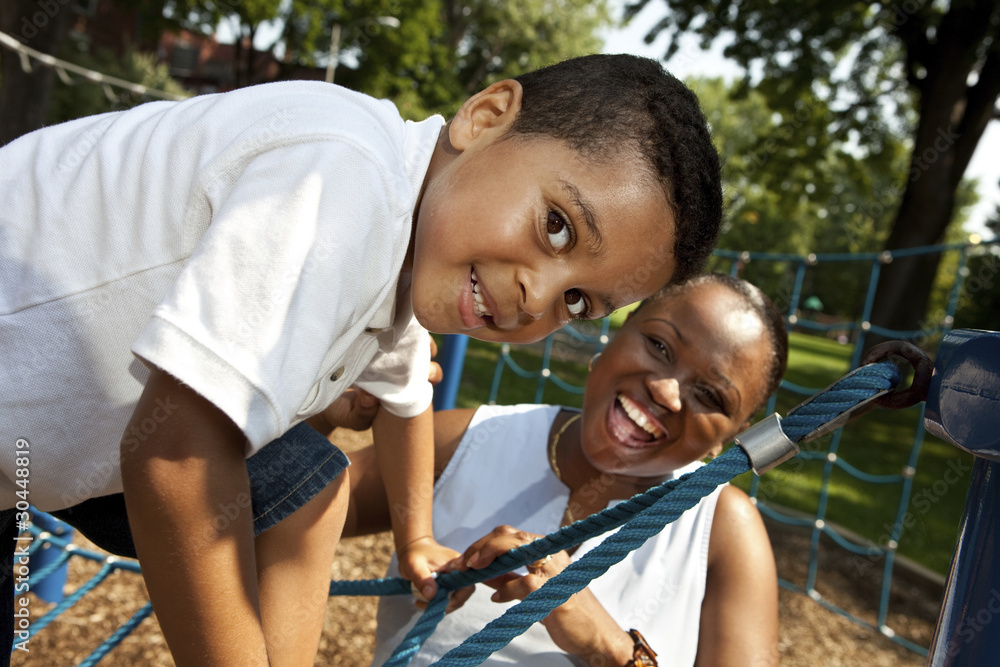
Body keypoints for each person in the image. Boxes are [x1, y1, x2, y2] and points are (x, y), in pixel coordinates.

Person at [0, 54, 722, 665]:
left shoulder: (401, 254)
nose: (537, 295)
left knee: (311, 484)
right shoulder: (343, 178)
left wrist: (416, 537)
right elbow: (176, 454)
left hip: (33, 454)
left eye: (577, 304)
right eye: (557, 227)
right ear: (487, 115)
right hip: (55, 415)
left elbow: (407, 393)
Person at [343, 274, 786, 666]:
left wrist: (609, 648)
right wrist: (324, 412)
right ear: (615, 337)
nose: (666, 391)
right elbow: (287, 506)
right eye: (659, 346)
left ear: (728, 436)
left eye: (710, 396)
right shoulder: (473, 438)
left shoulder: (722, 530)